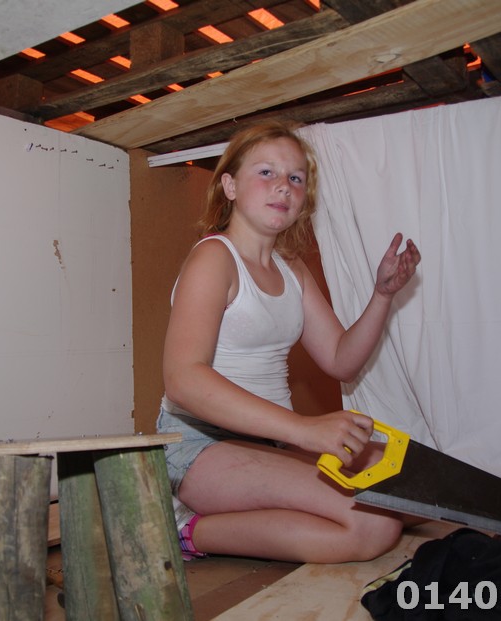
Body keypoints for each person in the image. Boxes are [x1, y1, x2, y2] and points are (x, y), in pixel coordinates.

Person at [156, 119, 421, 564]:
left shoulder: (291, 268)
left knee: (414, 490)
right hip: (199, 445)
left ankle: (255, 505)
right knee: (374, 525)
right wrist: (304, 429)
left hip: (271, 441)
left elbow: (340, 360)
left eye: (296, 178)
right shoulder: (214, 258)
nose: (283, 186)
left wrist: (382, 295)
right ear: (230, 186)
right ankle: (187, 531)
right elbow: (183, 380)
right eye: (267, 172)